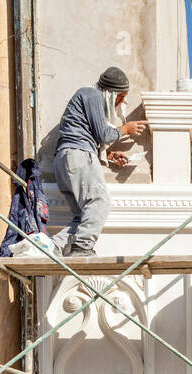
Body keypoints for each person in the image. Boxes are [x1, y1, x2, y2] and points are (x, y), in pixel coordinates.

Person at [53, 66, 147, 257]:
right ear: (111, 93)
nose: (121, 102)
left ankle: (50, 247)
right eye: (120, 97)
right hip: (78, 153)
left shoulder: (87, 97)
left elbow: (89, 134)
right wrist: (126, 129)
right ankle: (82, 247)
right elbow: (103, 134)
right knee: (99, 201)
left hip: (66, 159)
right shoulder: (92, 95)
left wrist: (110, 155)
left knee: (83, 216)